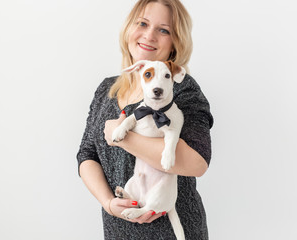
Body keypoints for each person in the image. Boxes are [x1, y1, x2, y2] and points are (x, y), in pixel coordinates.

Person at [77, 0, 213, 239]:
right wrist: (109, 203)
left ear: (175, 42)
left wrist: (122, 138)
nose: (149, 35)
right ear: (130, 28)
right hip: (118, 230)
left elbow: (197, 162)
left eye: (164, 30)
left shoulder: (183, 90)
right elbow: (87, 155)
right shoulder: (107, 90)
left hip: (172, 231)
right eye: (143, 23)